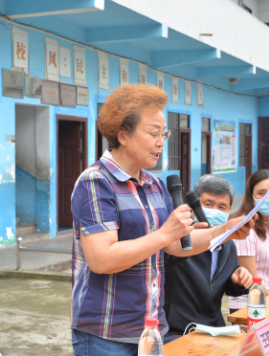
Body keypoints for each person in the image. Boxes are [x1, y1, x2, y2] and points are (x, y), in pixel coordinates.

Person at [70, 84, 255, 356]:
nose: (161, 142)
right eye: (153, 133)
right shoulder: (95, 182)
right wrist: (164, 234)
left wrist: (226, 230)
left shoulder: (154, 184)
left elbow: (180, 244)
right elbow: (101, 259)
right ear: (123, 134)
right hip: (107, 331)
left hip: (152, 326)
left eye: (164, 134)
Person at [163, 175, 252, 342]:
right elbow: (165, 262)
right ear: (192, 205)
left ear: (229, 209)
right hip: (176, 332)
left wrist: (238, 279)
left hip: (215, 330)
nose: (215, 211)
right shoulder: (177, 240)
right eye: (208, 204)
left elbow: (227, 287)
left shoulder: (227, 244)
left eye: (222, 207)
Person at [229, 170, 269, 314]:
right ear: (251, 197)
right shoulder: (244, 229)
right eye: (261, 193)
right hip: (251, 305)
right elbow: (253, 280)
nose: (268, 197)